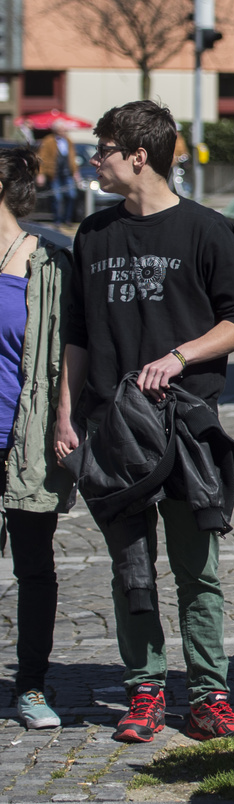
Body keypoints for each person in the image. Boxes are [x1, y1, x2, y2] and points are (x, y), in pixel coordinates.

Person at [53, 101, 234, 743]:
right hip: (111, 431)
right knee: (130, 569)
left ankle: (207, 695)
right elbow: (77, 334)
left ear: (139, 155)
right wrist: (65, 415)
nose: (95, 160)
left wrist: (177, 357)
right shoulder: (93, 235)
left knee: (199, 569)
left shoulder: (206, 230)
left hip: (187, 429)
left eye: (103, 149)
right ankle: (144, 692)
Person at [0, 149, 74, 729]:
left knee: (33, 566)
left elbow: (68, 352)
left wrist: (64, 419)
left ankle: (30, 686)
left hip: (22, 436)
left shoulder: (47, 262)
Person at [36, 121, 81, 228]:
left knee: (71, 195)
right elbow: (42, 157)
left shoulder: (68, 141)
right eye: (60, 129)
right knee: (57, 197)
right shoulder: (48, 141)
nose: (62, 131)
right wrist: (40, 174)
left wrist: (76, 173)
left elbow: (72, 158)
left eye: (64, 129)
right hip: (54, 174)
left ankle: (67, 219)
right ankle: (58, 220)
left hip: (67, 173)